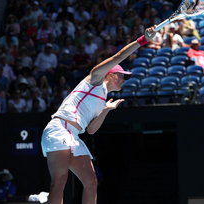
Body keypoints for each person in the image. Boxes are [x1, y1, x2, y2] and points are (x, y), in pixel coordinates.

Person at [40, 26, 156, 204]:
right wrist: (143, 40)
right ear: (110, 74)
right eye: (121, 76)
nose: (124, 80)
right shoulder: (95, 79)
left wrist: (106, 110)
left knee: (91, 181)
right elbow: (118, 57)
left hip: (74, 135)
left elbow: (92, 130)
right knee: (59, 181)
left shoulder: (102, 99)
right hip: (59, 129)